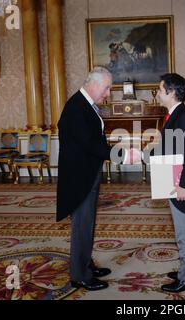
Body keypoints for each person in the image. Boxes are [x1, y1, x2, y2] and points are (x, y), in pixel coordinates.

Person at [56, 67, 113, 291]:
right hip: (79, 178)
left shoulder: (85, 104)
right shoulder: (77, 107)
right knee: (82, 225)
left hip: (86, 173)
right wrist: (121, 154)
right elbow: (91, 143)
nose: (108, 93)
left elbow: (92, 140)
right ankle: (80, 275)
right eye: (107, 88)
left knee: (87, 223)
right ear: (94, 84)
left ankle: (86, 264)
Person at [156, 73, 185, 293]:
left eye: (159, 89)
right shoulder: (175, 115)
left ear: (171, 92)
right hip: (174, 179)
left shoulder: (184, 117)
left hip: (182, 184)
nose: (157, 94)